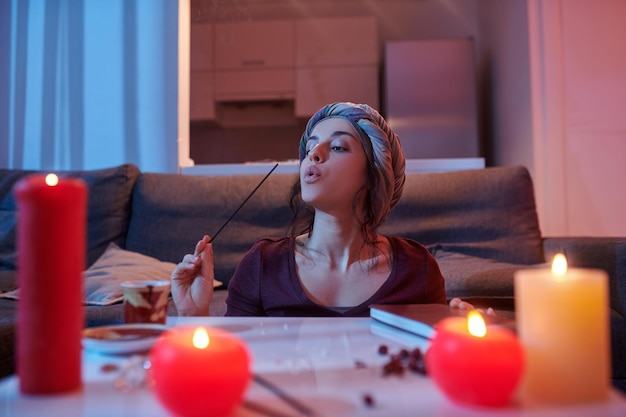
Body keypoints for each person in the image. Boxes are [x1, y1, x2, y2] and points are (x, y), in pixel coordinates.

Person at [172, 102, 469, 317]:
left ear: (374, 172)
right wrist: (193, 313)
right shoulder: (262, 265)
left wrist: (466, 337)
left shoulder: (418, 268)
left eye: (338, 146)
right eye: (311, 147)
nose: (314, 154)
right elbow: (232, 368)